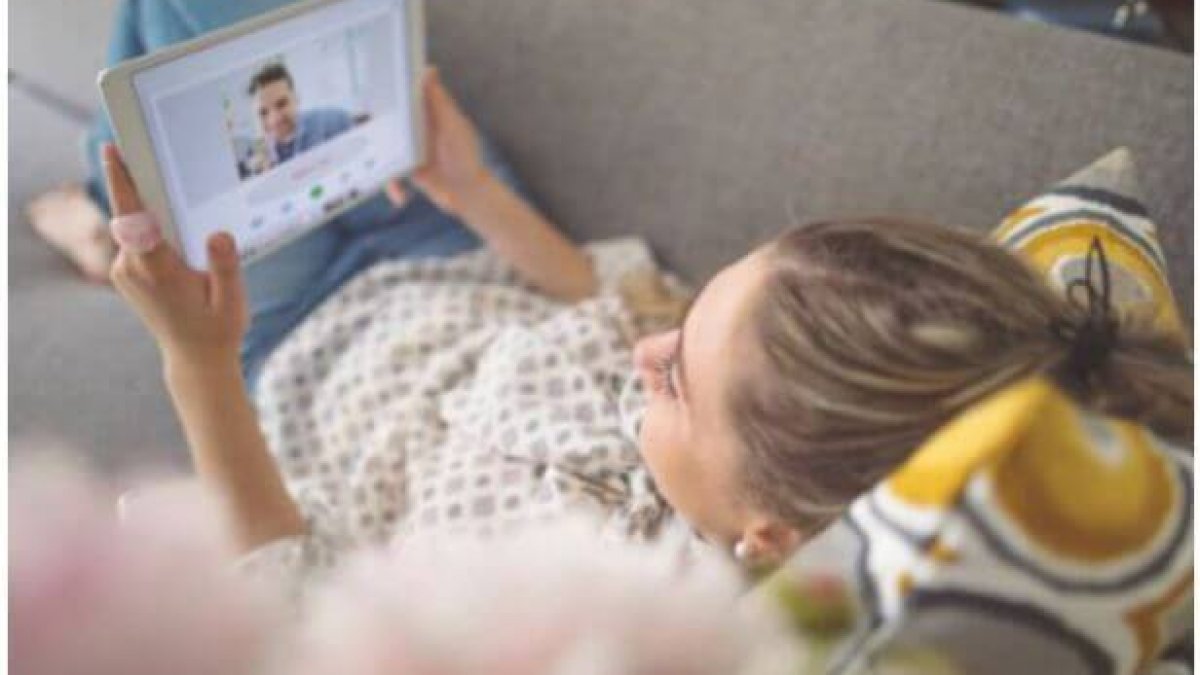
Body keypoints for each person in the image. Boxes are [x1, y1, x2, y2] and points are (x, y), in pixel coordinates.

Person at [105, 61, 1192, 573]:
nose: (643, 346)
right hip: (453, 239)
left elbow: (294, 601)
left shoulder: (577, 613)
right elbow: (608, 297)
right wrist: (469, 189)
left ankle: (88, 223)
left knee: (152, 95)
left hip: (289, 337)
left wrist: (196, 358)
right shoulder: (757, 397)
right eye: (694, 311)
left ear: (767, 536)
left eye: (674, 379)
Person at [27, 0, 528, 388]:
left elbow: (244, 486)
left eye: (279, 108)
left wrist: (197, 357)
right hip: (466, 243)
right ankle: (101, 188)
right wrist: (474, 189)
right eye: (267, 112)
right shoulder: (313, 123)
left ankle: (102, 194)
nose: (276, 119)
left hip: (309, 335)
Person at [245, 62, 352, 170]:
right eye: (263, 112)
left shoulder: (333, 121)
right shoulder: (255, 156)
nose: (274, 120)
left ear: (296, 99)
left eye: (281, 104)